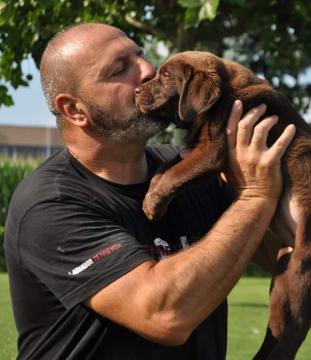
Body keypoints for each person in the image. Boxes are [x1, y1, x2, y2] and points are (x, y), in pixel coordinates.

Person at [5, 23, 295, 359]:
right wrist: (257, 196)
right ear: (74, 109)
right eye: (120, 69)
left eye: (140, 55)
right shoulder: (50, 204)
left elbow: (284, 253)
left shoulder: (188, 172)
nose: (147, 70)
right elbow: (165, 315)